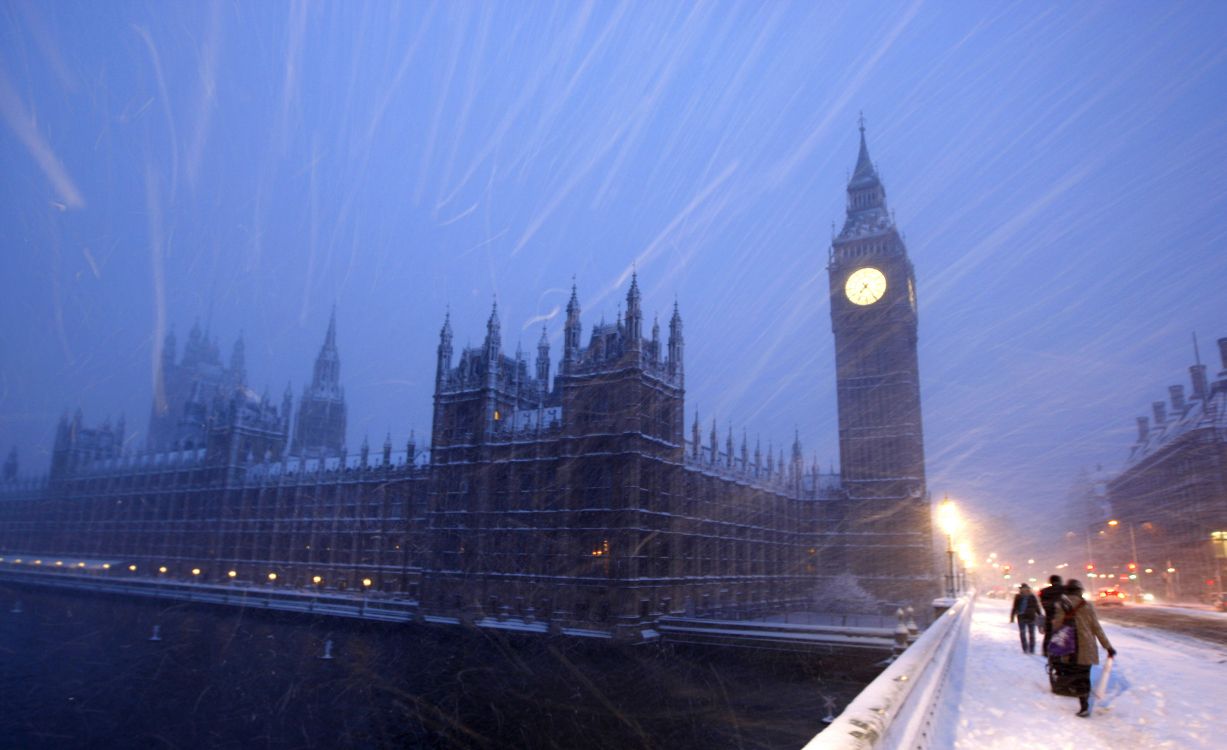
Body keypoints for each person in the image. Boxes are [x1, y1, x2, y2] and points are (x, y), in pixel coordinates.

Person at [1050, 579, 1116, 717]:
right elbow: (1096, 628)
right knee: (1084, 676)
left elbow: (1056, 626)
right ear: (1080, 591)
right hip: (1086, 648)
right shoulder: (1087, 605)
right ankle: (1084, 705)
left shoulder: (1061, 605)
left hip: (1069, 648)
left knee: (1071, 674)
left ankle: (1073, 692)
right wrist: (1108, 647)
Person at [1009, 583, 1041, 653]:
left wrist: (1012, 617)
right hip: (1031, 616)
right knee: (1031, 633)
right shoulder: (1032, 596)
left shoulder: (1018, 596)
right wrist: (1039, 614)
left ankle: (1025, 648)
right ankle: (1031, 649)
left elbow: (1015, 607)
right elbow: (1036, 606)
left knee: (1023, 633)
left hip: (1022, 617)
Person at [1039, 574, 1064, 656]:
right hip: (1062, 617)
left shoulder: (1044, 591)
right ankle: (1061, 651)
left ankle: (1046, 651)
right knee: (1062, 634)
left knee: (1048, 635)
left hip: (1049, 616)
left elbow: (1044, 604)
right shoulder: (1064, 590)